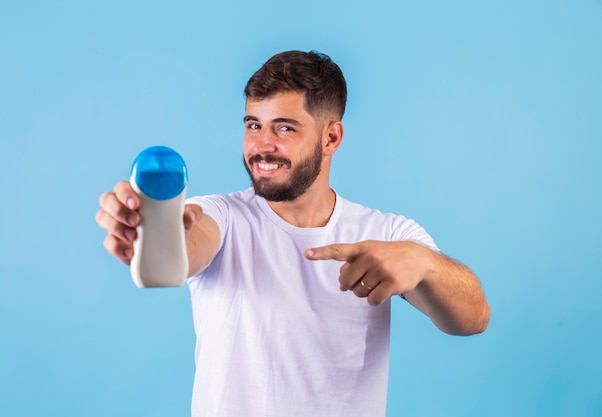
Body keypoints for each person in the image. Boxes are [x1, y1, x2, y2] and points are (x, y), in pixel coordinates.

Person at [96, 50, 490, 417]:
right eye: (254, 125)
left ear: (331, 137)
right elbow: (187, 246)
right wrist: (154, 231)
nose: (261, 146)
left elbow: (473, 318)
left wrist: (423, 264)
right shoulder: (223, 215)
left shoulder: (386, 233)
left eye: (284, 128)